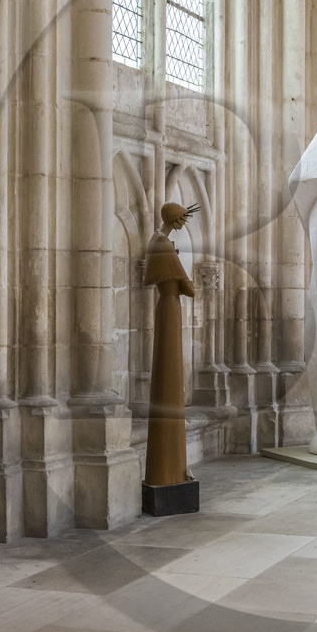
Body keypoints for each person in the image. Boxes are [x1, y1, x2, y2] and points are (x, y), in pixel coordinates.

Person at [144, 202, 198, 490]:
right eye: (182, 219)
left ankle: (175, 470)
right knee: (169, 378)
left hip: (168, 306)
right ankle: (169, 472)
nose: (184, 223)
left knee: (169, 380)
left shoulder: (158, 240)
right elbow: (187, 287)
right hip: (170, 306)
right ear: (174, 219)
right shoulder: (163, 244)